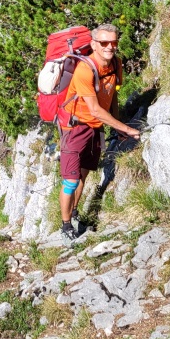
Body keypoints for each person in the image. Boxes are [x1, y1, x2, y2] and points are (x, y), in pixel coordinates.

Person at [59, 24, 140, 241]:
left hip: (96, 126)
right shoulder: (85, 70)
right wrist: (125, 129)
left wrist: (117, 122)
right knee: (71, 180)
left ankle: (74, 211)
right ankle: (66, 226)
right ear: (94, 44)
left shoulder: (115, 64)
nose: (110, 47)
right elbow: (94, 108)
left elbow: (111, 94)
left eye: (114, 42)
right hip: (75, 127)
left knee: (84, 172)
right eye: (104, 42)